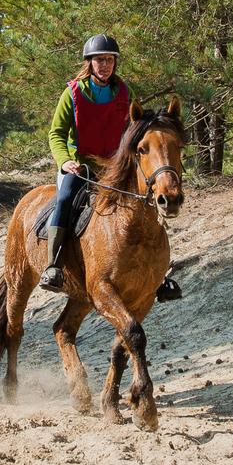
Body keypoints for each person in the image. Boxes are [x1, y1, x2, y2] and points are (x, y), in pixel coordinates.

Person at [38, 34, 182, 301]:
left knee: (146, 200)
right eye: (99, 60)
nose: (104, 65)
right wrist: (64, 161)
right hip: (80, 167)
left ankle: (158, 275)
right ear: (89, 63)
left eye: (109, 60)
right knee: (66, 198)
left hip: (116, 166)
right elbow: (56, 133)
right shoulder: (73, 93)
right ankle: (53, 265)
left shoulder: (125, 93)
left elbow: (136, 129)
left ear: (115, 63)